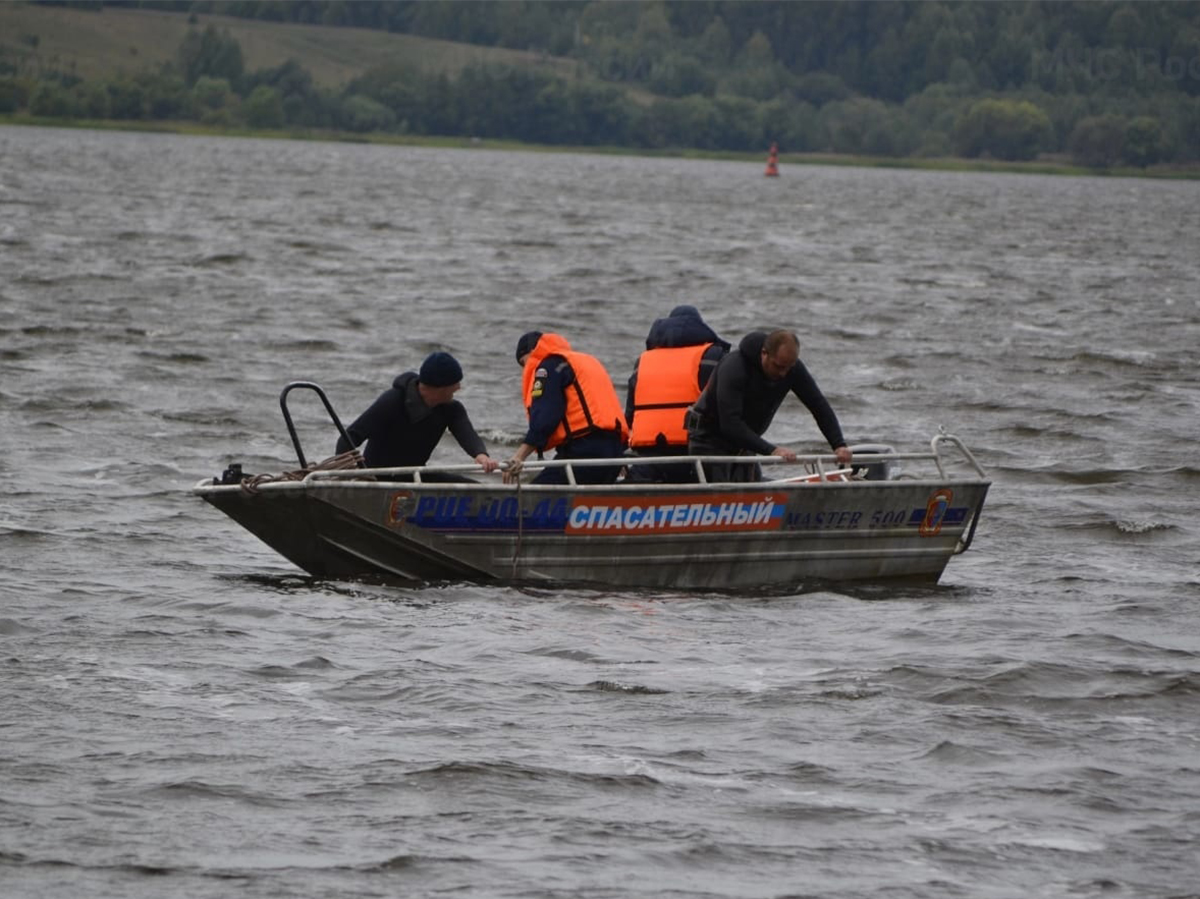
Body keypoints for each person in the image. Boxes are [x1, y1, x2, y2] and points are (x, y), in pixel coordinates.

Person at [686, 329, 852, 482]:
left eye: (788, 368)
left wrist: (838, 444)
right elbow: (730, 423)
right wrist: (772, 450)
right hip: (710, 440)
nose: (783, 373)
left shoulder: (791, 368)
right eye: (778, 367)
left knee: (752, 493)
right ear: (764, 354)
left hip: (744, 444)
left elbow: (818, 405)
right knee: (723, 495)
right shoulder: (735, 367)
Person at [335, 351, 499, 482]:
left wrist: (481, 455)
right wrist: (348, 475)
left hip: (415, 474)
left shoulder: (451, 408)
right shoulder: (392, 401)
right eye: (454, 383)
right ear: (439, 387)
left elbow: (466, 433)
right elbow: (349, 437)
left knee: (477, 491)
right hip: (377, 479)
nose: (458, 387)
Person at [505, 331, 629, 485]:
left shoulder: (547, 367)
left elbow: (545, 417)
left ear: (532, 352)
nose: (525, 370)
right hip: (616, 452)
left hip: (584, 451)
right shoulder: (586, 362)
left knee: (532, 494)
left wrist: (520, 456)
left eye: (524, 363)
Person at [625, 305, 730, 482]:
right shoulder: (712, 356)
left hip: (648, 456)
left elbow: (630, 414)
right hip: (694, 453)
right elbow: (726, 406)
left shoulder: (643, 361)